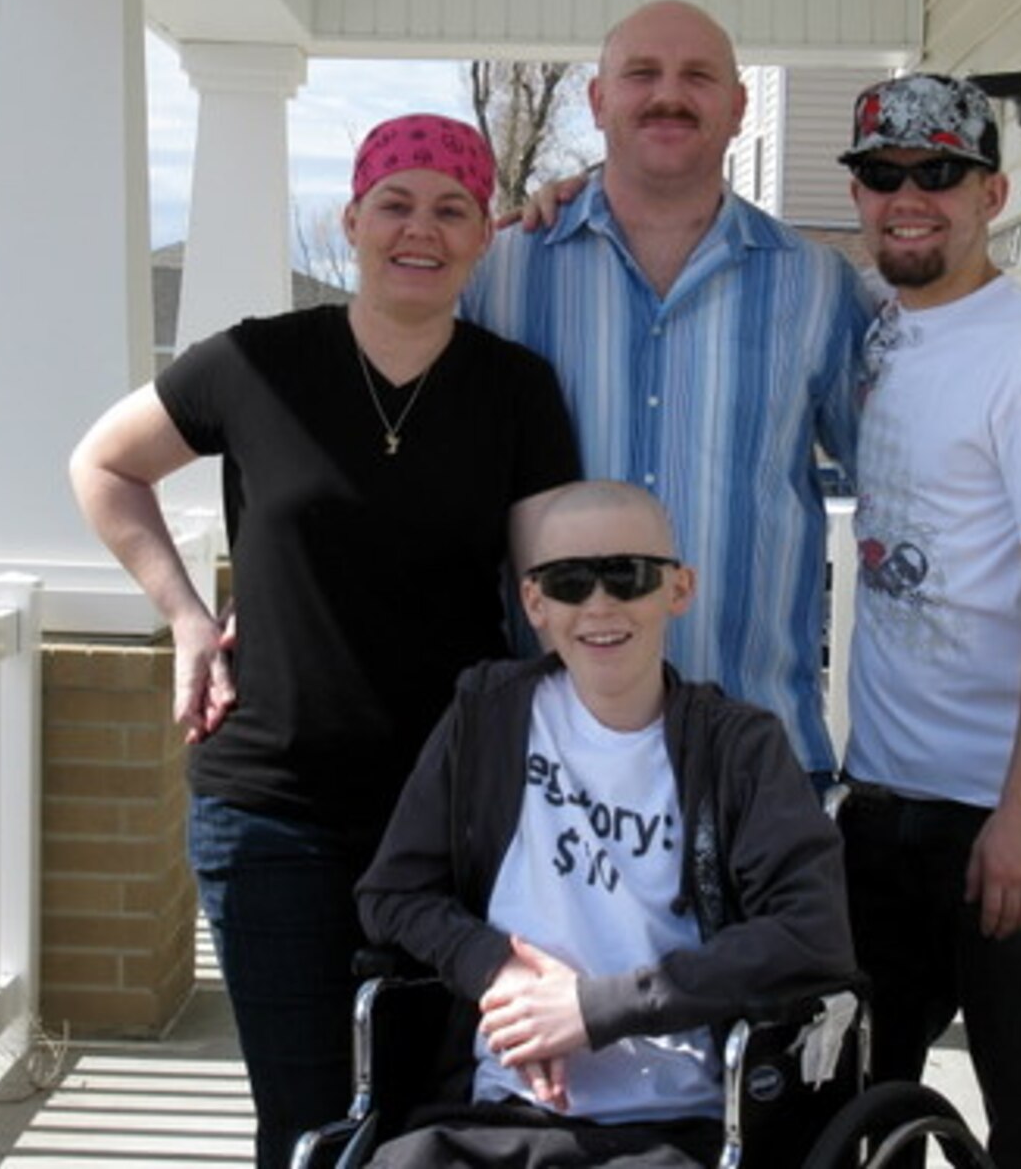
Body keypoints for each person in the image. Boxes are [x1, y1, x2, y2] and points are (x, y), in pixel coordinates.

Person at [68, 114, 580, 1169]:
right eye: (394, 204)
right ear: (350, 219)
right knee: (303, 1125)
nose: (419, 230)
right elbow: (102, 466)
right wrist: (186, 619)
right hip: (272, 813)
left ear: (483, 235)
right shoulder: (255, 363)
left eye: (451, 210)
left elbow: (544, 586)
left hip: (451, 820)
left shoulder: (513, 389)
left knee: (428, 1109)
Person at [354, 481, 854, 1169]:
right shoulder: (485, 719)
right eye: (568, 582)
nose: (598, 604)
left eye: (627, 576)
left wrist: (598, 1009)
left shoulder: (739, 748)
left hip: (677, 1123)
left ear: (678, 590)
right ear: (536, 604)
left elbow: (812, 934)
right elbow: (391, 895)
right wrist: (495, 969)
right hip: (494, 1111)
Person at [834, 73, 1021, 1168]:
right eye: (881, 175)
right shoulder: (876, 324)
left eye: (939, 174)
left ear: (990, 191)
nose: (908, 197)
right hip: (884, 802)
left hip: (1020, 818)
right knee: (859, 1112)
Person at [463, 0, 871, 788]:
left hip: (754, 754)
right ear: (597, 100)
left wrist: (1015, 637)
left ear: (739, 107)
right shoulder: (501, 274)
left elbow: (905, 492)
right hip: (548, 753)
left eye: (698, 76)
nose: (668, 95)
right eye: (641, 74)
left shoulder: (817, 287)